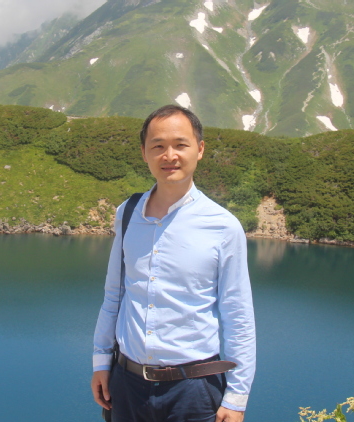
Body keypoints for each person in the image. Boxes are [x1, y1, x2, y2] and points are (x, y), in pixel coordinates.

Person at [91, 105, 256, 422]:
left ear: (200, 149)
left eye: (181, 144)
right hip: (126, 383)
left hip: (193, 390)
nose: (169, 156)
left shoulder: (223, 226)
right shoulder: (127, 213)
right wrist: (101, 361)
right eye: (158, 146)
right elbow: (114, 294)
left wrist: (236, 398)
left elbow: (238, 316)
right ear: (144, 153)